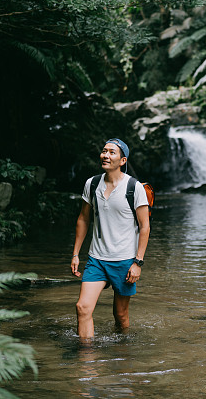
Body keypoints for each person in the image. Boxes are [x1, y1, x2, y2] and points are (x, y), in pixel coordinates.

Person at [71, 138, 150, 340]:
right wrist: (76, 254)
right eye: (104, 151)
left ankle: (122, 356)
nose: (105, 155)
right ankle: (86, 359)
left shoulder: (134, 187)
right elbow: (83, 218)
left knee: (121, 316)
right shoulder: (92, 183)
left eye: (111, 152)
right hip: (97, 259)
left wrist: (138, 262)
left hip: (124, 261)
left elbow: (144, 226)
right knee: (82, 307)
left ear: (122, 160)